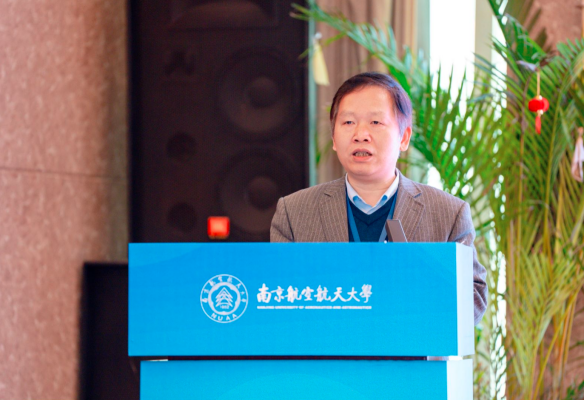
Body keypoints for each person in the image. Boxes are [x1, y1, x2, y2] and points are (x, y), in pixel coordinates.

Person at [270, 72, 487, 325]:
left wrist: (418, 285)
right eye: (348, 122)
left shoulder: (449, 213)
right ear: (334, 138)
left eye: (375, 122)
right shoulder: (293, 212)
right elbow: (276, 299)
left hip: (410, 349)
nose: (360, 134)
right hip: (326, 350)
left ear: (403, 138)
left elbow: (473, 301)